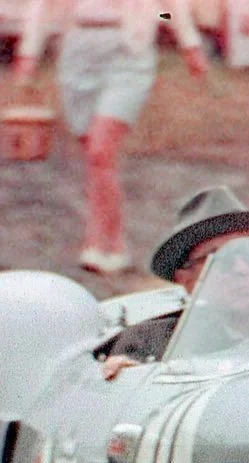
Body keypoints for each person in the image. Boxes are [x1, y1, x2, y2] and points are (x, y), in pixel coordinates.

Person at [13, 0, 211, 274]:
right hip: (78, 49)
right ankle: (102, 236)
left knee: (100, 151)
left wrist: (190, 44)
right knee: (96, 159)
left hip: (128, 49)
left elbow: (172, 5)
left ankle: (109, 243)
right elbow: (42, 6)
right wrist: (28, 52)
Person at [100, 185, 249, 379]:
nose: (241, 269)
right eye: (219, 259)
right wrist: (128, 374)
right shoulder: (152, 342)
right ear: (186, 280)